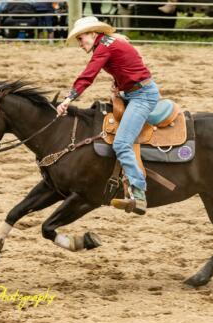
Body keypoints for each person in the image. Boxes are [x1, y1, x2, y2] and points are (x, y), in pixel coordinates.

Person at [56, 16, 160, 215]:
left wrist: (69, 98)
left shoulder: (104, 47)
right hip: (133, 92)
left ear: (92, 33)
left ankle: (138, 193)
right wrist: (120, 86)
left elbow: (89, 73)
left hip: (142, 97)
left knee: (121, 143)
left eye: (81, 38)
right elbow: (130, 63)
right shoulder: (109, 42)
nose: (80, 44)